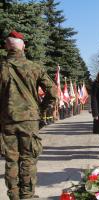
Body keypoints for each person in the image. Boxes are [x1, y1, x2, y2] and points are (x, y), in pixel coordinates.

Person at [0, 31, 57, 200]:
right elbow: (53, 92)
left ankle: (14, 196)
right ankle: (27, 195)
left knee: (11, 160)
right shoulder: (34, 67)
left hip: (7, 119)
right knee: (28, 158)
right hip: (29, 120)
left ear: (5, 47)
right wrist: (41, 110)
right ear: (23, 46)